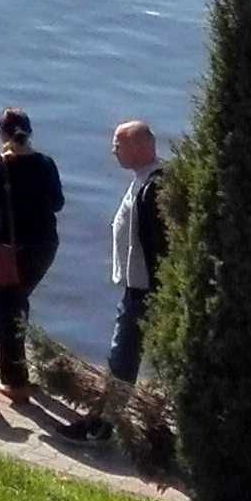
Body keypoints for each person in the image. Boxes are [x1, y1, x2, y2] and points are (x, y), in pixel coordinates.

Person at [0, 106, 63, 405]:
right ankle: (23, 370)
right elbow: (58, 203)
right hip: (45, 246)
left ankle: (14, 382)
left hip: (11, 249)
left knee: (6, 314)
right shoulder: (46, 163)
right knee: (20, 301)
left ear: (2, 134)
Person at [103, 120, 167, 397]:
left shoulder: (153, 188)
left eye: (118, 145)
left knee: (123, 355)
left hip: (143, 290)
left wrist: (156, 292)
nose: (113, 151)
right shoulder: (143, 178)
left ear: (137, 147)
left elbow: (158, 244)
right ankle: (108, 417)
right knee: (124, 353)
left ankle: (106, 423)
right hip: (136, 287)